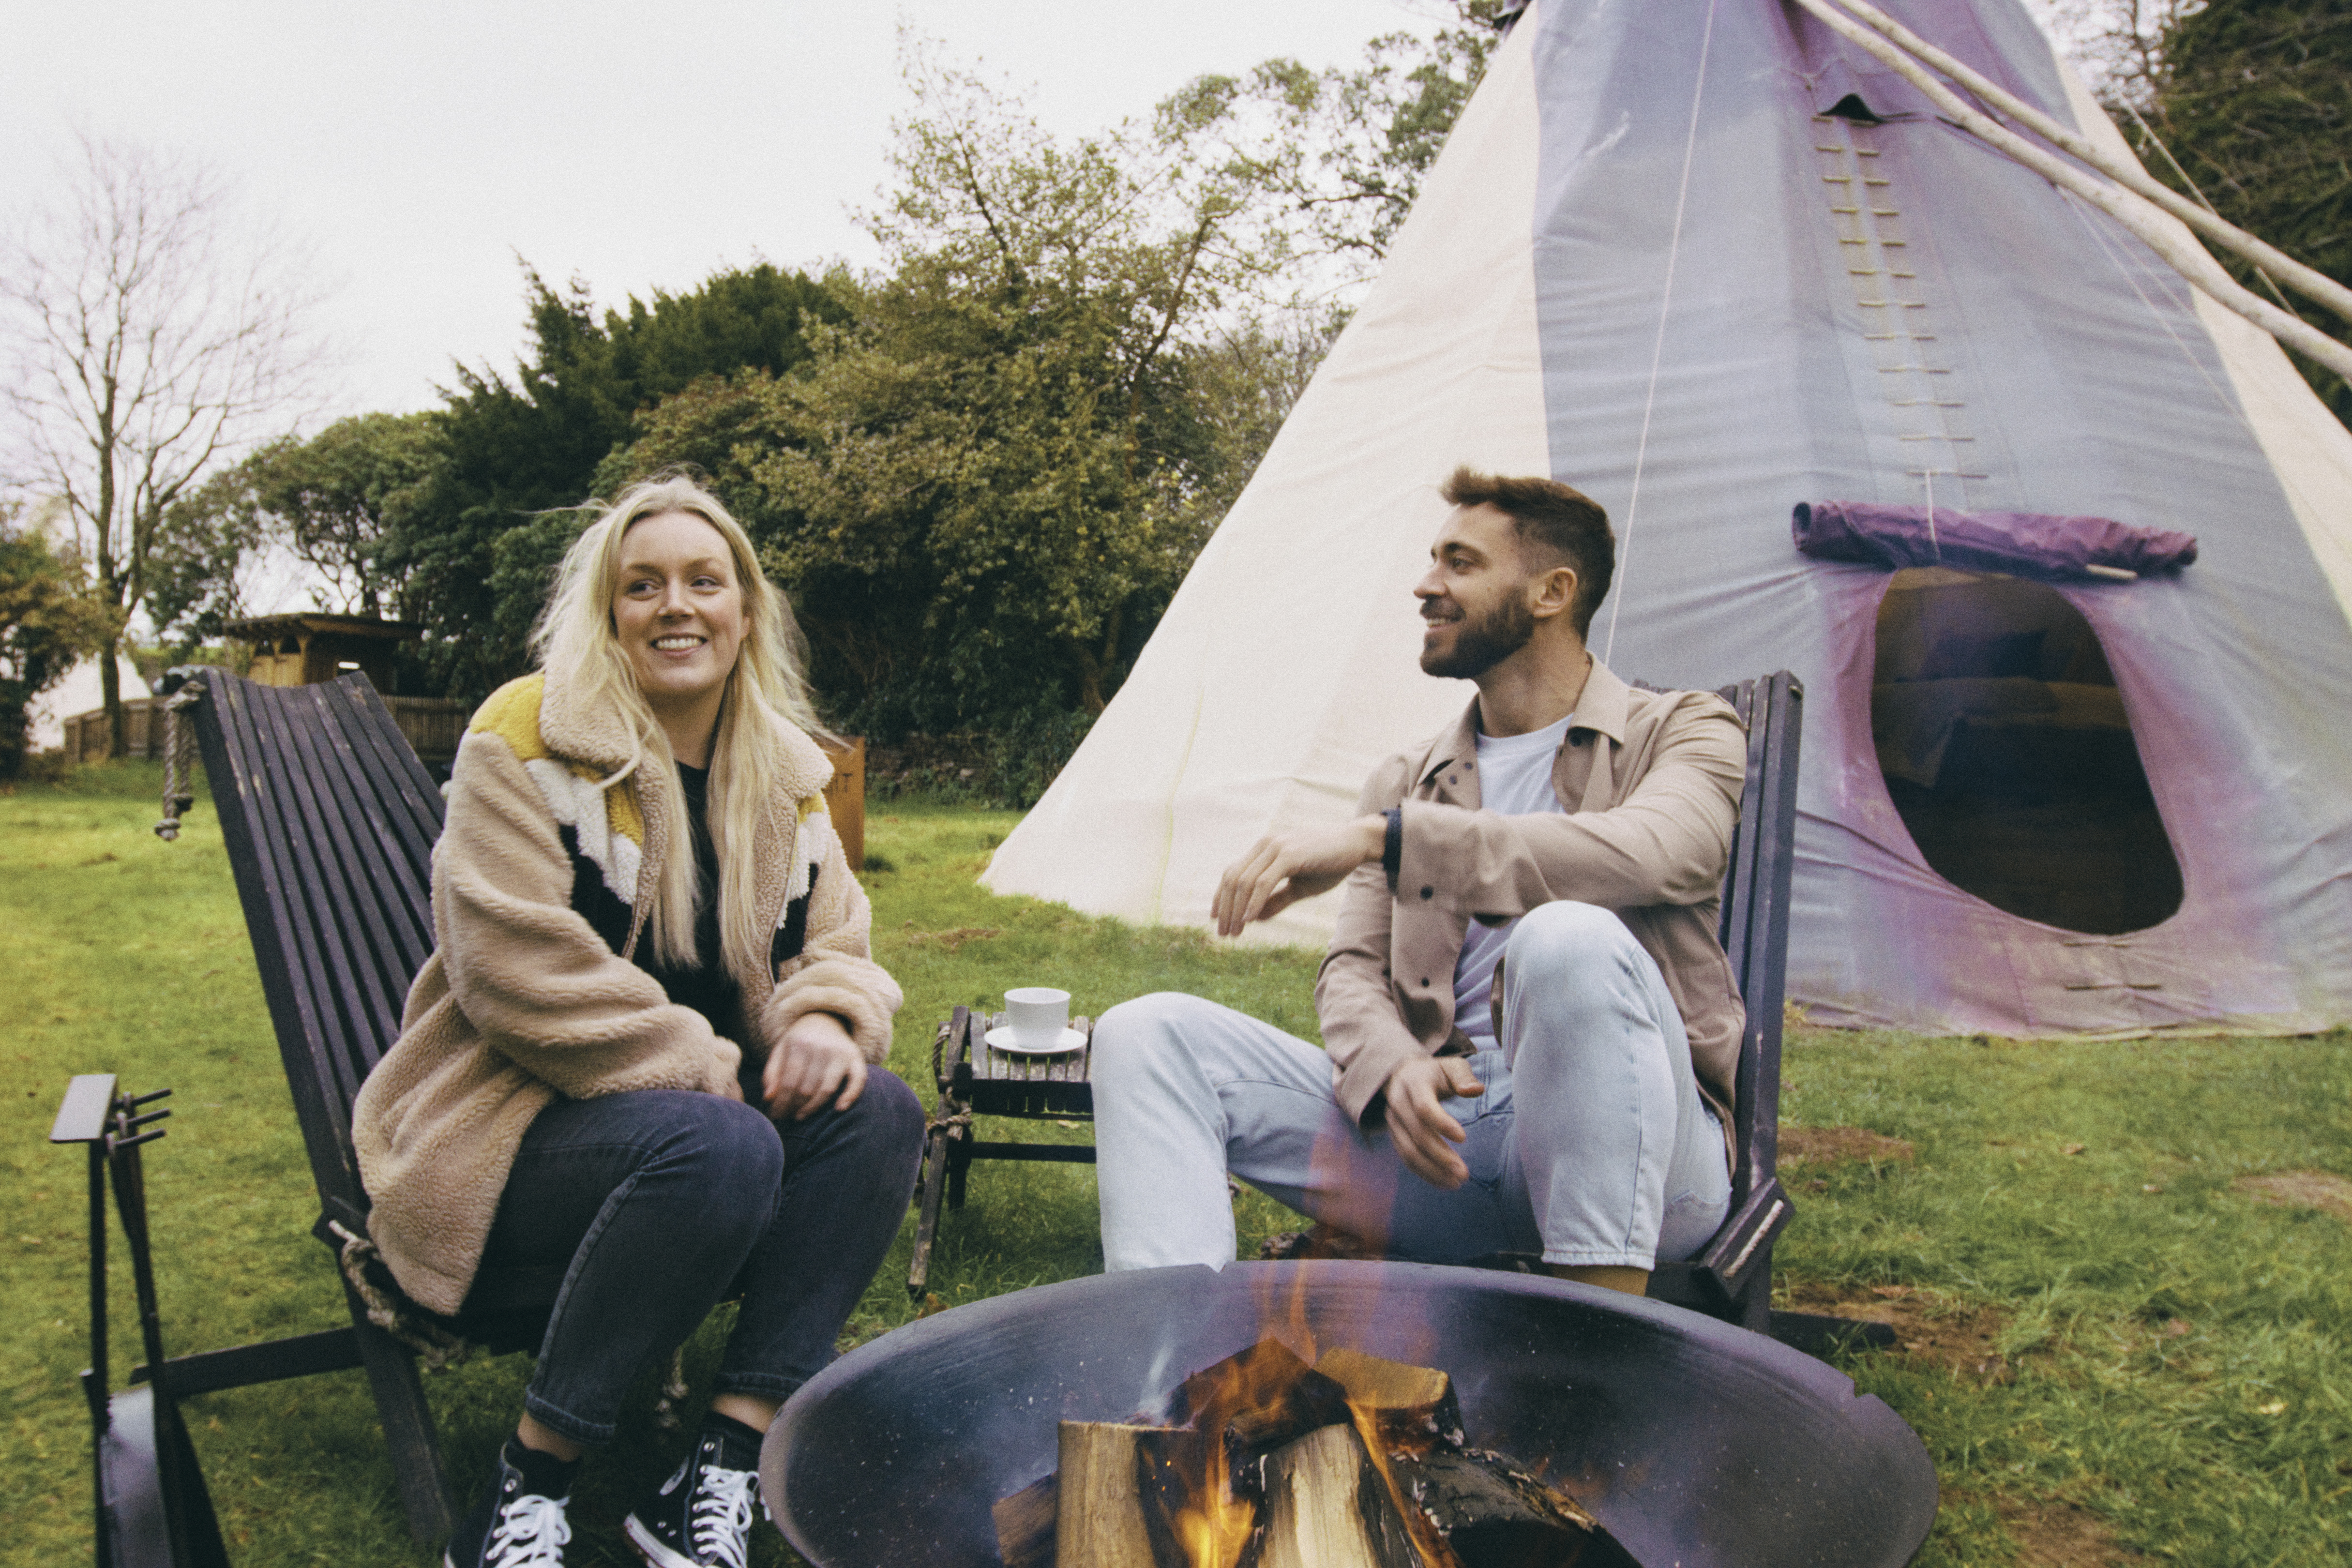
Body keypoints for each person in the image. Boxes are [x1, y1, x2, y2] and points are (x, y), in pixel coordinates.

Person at [350, 475, 923, 1568]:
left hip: (702, 1142)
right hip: (518, 1132)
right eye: (643, 585)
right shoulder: (527, 740)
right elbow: (510, 965)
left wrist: (826, 1023)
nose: (677, 606)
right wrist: (703, 1066)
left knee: (879, 1112)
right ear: (609, 616)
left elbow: (838, 946)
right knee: (722, 1140)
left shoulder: (784, 774)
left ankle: (721, 1459)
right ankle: (530, 1482)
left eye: (705, 583)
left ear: (744, 613)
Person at [1091, 467, 1746, 1295]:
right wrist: (1394, 1063)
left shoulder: (1686, 730)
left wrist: (1385, 840)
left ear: (1552, 592)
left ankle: (1591, 1373)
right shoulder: (1408, 776)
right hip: (1448, 1149)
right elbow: (1354, 972)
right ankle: (1176, 1375)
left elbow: (1657, 851)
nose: (1425, 585)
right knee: (1148, 1033)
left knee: (1565, 935)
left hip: (1646, 1165)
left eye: (1459, 563)